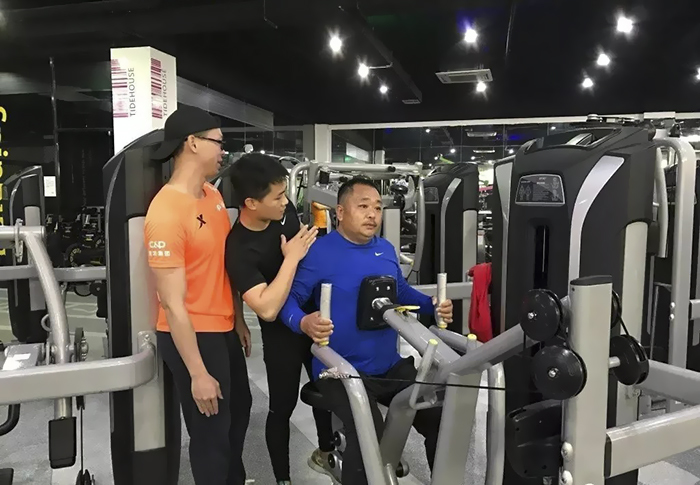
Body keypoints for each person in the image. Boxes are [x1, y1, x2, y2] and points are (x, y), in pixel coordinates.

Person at [279, 176, 453, 485]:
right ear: (340, 212)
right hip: (339, 371)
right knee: (368, 437)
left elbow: (401, 293)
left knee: (440, 417)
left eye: (377, 208)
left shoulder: (385, 249)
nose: (373, 214)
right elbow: (287, 301)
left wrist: (432, 305)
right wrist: (303, 322)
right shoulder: (320, 252)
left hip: (388, 366)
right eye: (363, 206)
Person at [145, 106, 252, 485]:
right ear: (192, 143)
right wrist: (197, 373)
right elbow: (172, 303)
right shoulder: (165, 211)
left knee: (239, 415)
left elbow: (225, 264)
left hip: (223, 328)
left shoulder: (212, 195)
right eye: (218, 142)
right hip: (192, 333)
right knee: (211, 436)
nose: (223, 150)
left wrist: (238, 318)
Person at [225, 153, 335, 485]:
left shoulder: (284, 214)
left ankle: (327, 454)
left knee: (327, 392)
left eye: (285, 193)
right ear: (251, 203)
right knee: (282, 407)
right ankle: (283, 479)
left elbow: (306, 248)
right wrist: (291, 258)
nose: (285, 202)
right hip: (279, 333)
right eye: (277, 197)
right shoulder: (239, 248)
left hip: (314, 318)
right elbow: (268, 308)